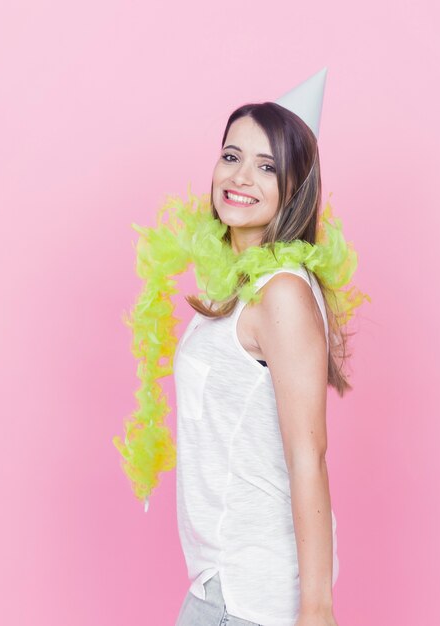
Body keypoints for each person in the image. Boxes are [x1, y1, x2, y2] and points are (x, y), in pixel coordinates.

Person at [173, 88, 352, 625]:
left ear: (295, 188)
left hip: (252, 599)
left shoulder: (281, 294)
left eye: (266, 166)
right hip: (218, 585)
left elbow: (308, 456)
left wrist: (317, 611)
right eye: (231, 156)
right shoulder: (238, 287)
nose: (240, 177)